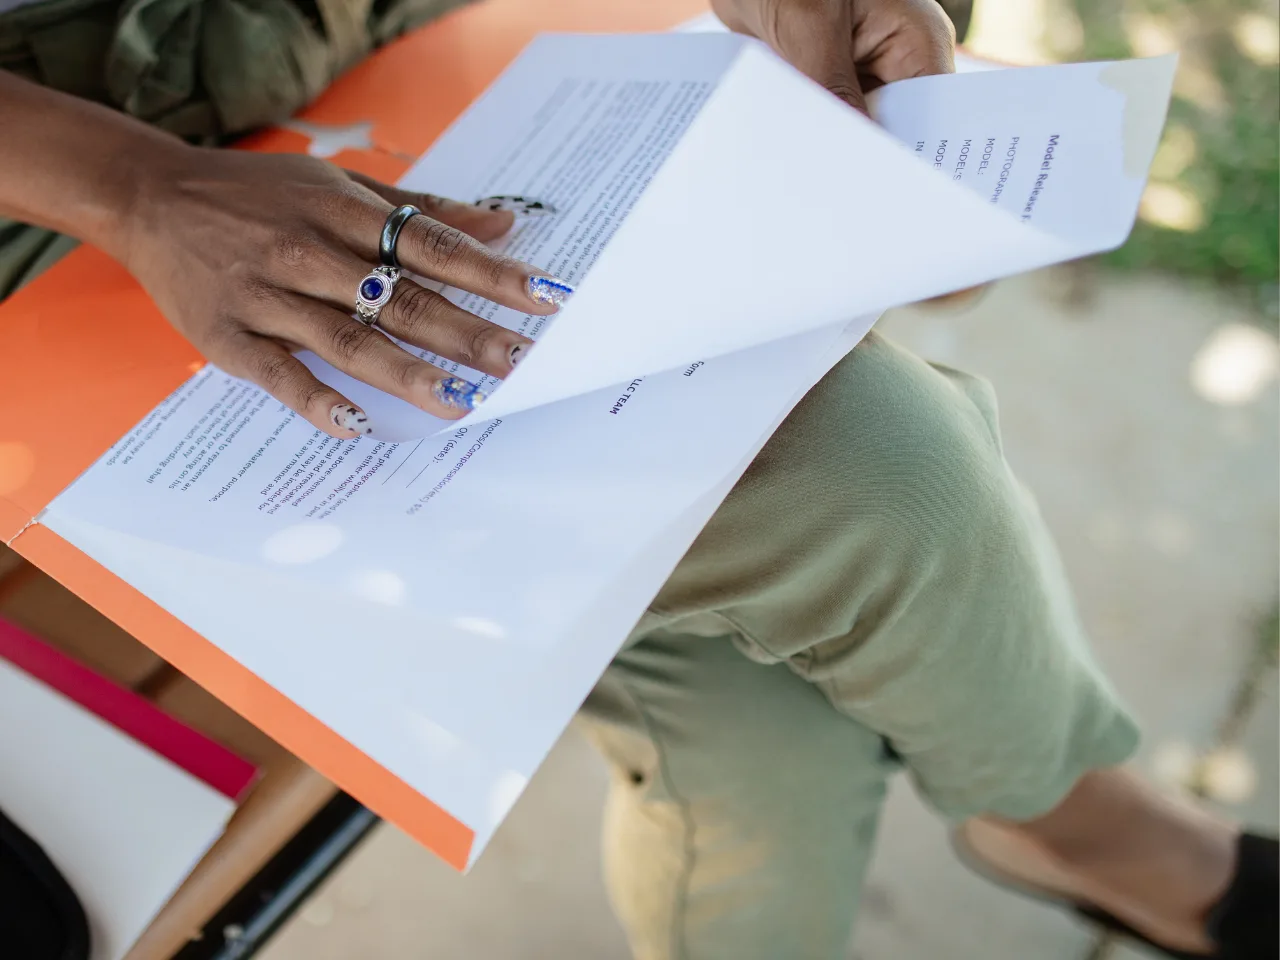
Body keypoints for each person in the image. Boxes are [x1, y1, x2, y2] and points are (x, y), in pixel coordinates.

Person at [1, 0, 1274, 957]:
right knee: (874, 481)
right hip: (50, 199)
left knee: (748, 722)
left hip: (352, 47)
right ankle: (1069, 817)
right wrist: (132, 186)